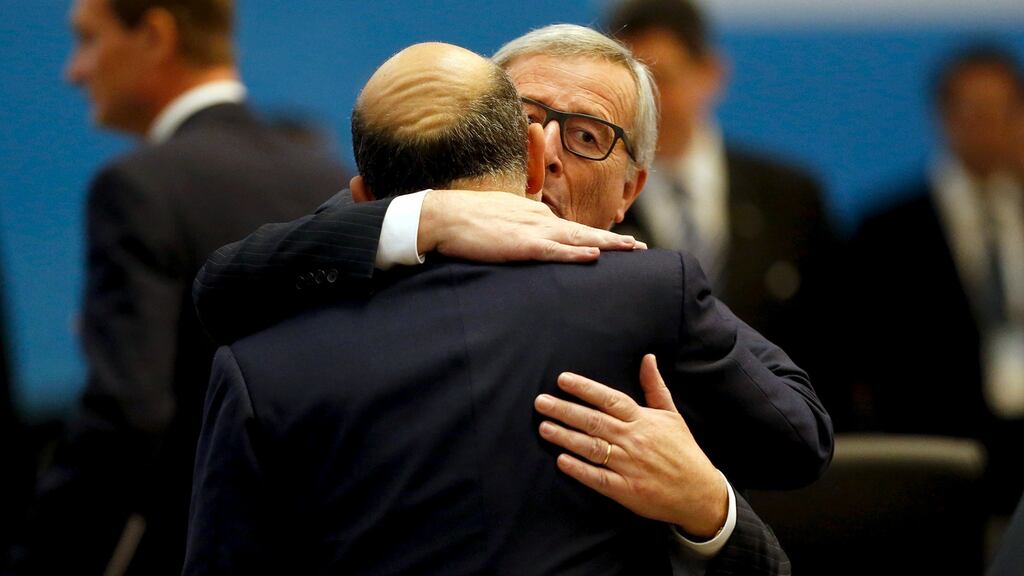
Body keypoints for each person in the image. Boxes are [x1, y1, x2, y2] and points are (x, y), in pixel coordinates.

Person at [184, 40, 815, 575]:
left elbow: (799, 436)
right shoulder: (305, 327)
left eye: (588, 136)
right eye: (528, 120)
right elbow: (223, 283)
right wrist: (424, 216)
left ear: (630, 189)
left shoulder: (648, 294)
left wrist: (704, 502)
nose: (555, 150)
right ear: (505, 147)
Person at [4, 0, 351, 573]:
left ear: (155, 34)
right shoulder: (329, 177)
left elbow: (126, 419)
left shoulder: (136, 188)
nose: (75, 70)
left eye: (88, 40)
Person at [604, 0, 846, 424]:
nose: (646, 102)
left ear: (711, 74)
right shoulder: (595, 200)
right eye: (631, 84)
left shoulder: (790, 196)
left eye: (660, 79)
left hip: (776, 440)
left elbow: (832, 342)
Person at [846, 44, 1024, 514]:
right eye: (973, 111)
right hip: (935, 459)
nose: (988, 127)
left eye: (1001, 111)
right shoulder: (887, 229)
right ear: (943, 116)